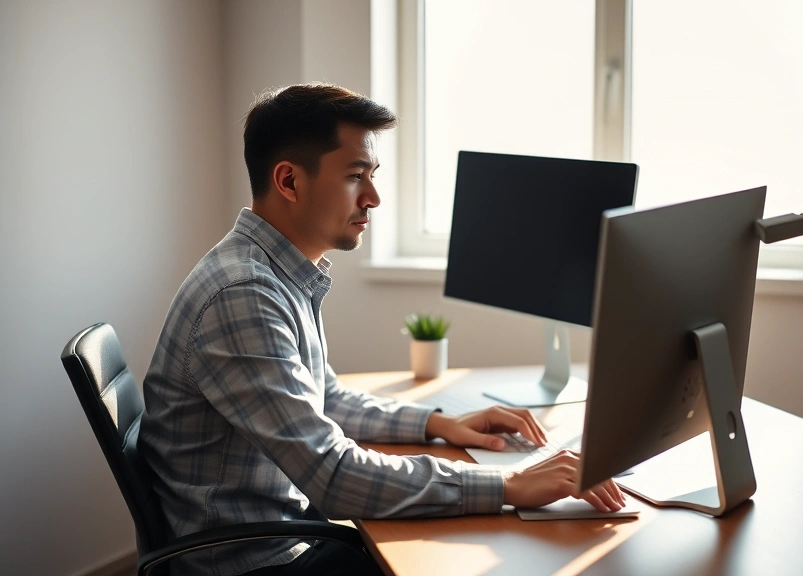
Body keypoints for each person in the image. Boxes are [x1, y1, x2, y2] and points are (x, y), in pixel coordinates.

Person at [138, 83, 624, 576]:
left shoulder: (273, 274)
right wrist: (507, 486)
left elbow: (325, 400)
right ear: (289, 181)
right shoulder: (243, 294)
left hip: (281, 536)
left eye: (372, 175)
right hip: (250, 564)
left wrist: (437, 424)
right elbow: (331, 476)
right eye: (355, 176)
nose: (373, 197)